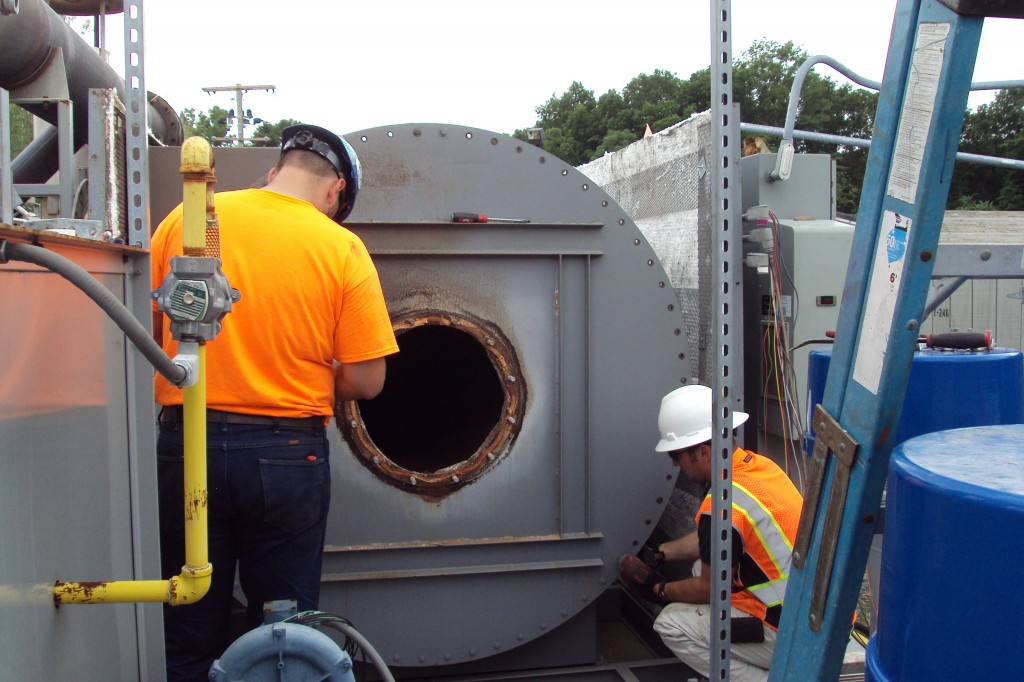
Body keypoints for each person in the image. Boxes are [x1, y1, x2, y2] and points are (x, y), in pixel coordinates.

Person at [151, 123, 399, 681]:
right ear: (335, 192)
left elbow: (150, 336)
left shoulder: (189, 220)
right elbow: (367, 380)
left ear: (274, 171)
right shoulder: (339, 245)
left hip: (184, 445)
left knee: (188, 624)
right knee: (285, 634)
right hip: (286, 454)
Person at [619, 384, 802, 682]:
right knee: (697, 567)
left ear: (703, 452)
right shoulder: (759, 469)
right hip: (815, 617)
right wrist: (662, 553)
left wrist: (659, 589)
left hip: (785, 633)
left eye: (676, 455)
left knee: (670, 624)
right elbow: (719, 540)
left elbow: (709, 588)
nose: (676, 464)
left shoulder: (719, 505)